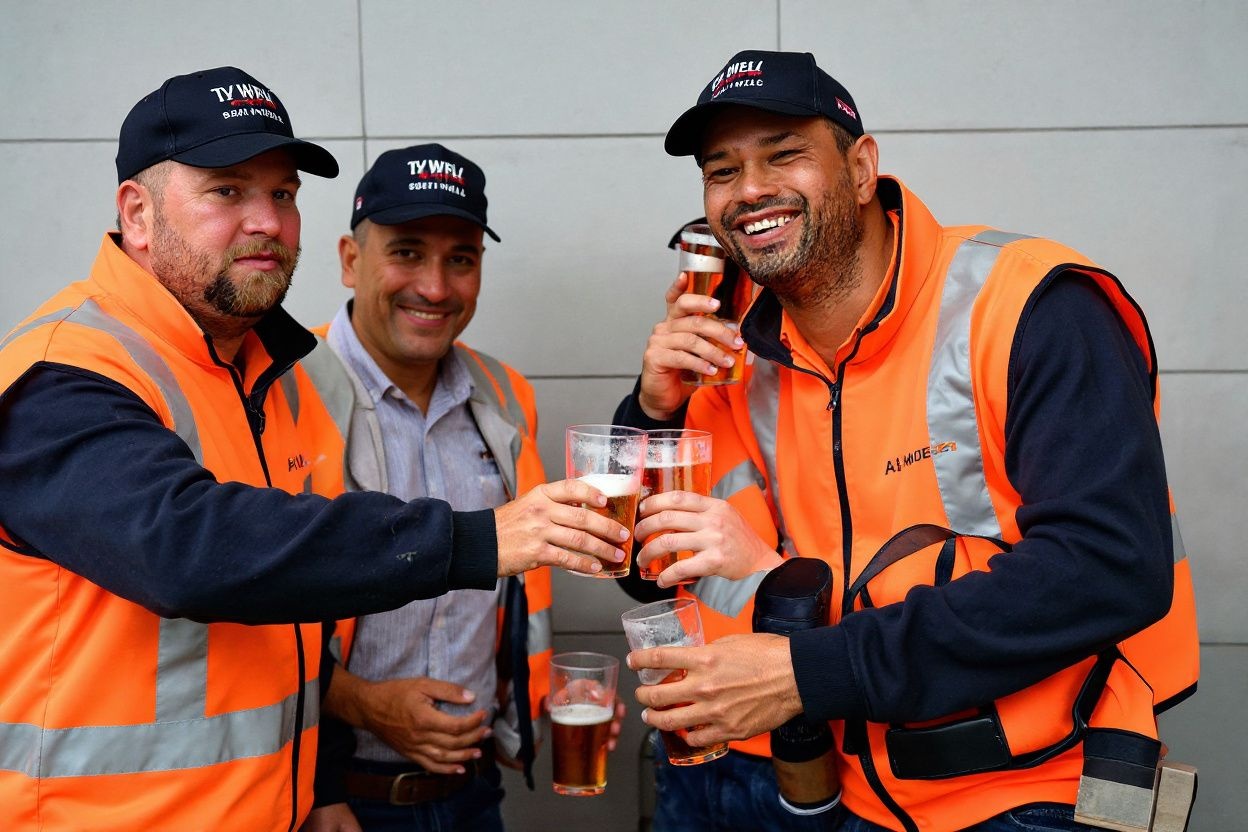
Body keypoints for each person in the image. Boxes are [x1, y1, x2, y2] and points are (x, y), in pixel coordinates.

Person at [0, 67, 629, 832]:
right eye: (228, 191)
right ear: (137, 212)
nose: (266, 219)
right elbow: (191, 550)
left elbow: (281, 609)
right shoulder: (64, 372)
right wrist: (478, 536)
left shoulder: (254, 375)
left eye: (284, 194)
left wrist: (311, 783)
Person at [620, 50, 1199, 831]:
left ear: (861, 169)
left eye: (784, 153)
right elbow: (644, 570)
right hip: (836, 790)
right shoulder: (737, 347)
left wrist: (807, 671)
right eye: (721, 171)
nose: (749, 188)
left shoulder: (1032, 302)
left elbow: (1109, 569)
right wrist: (651, 409)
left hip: (1032, 792)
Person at [301, 144, 620, 832]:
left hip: (472, 796)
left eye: (461, 259)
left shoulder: (504, 395)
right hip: (337, 802)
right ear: (351, 261)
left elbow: (514, 596)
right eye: (408, 252)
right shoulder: (285, 391)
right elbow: (246, 603)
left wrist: (544, 702)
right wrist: (356, 707)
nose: (437, 288)